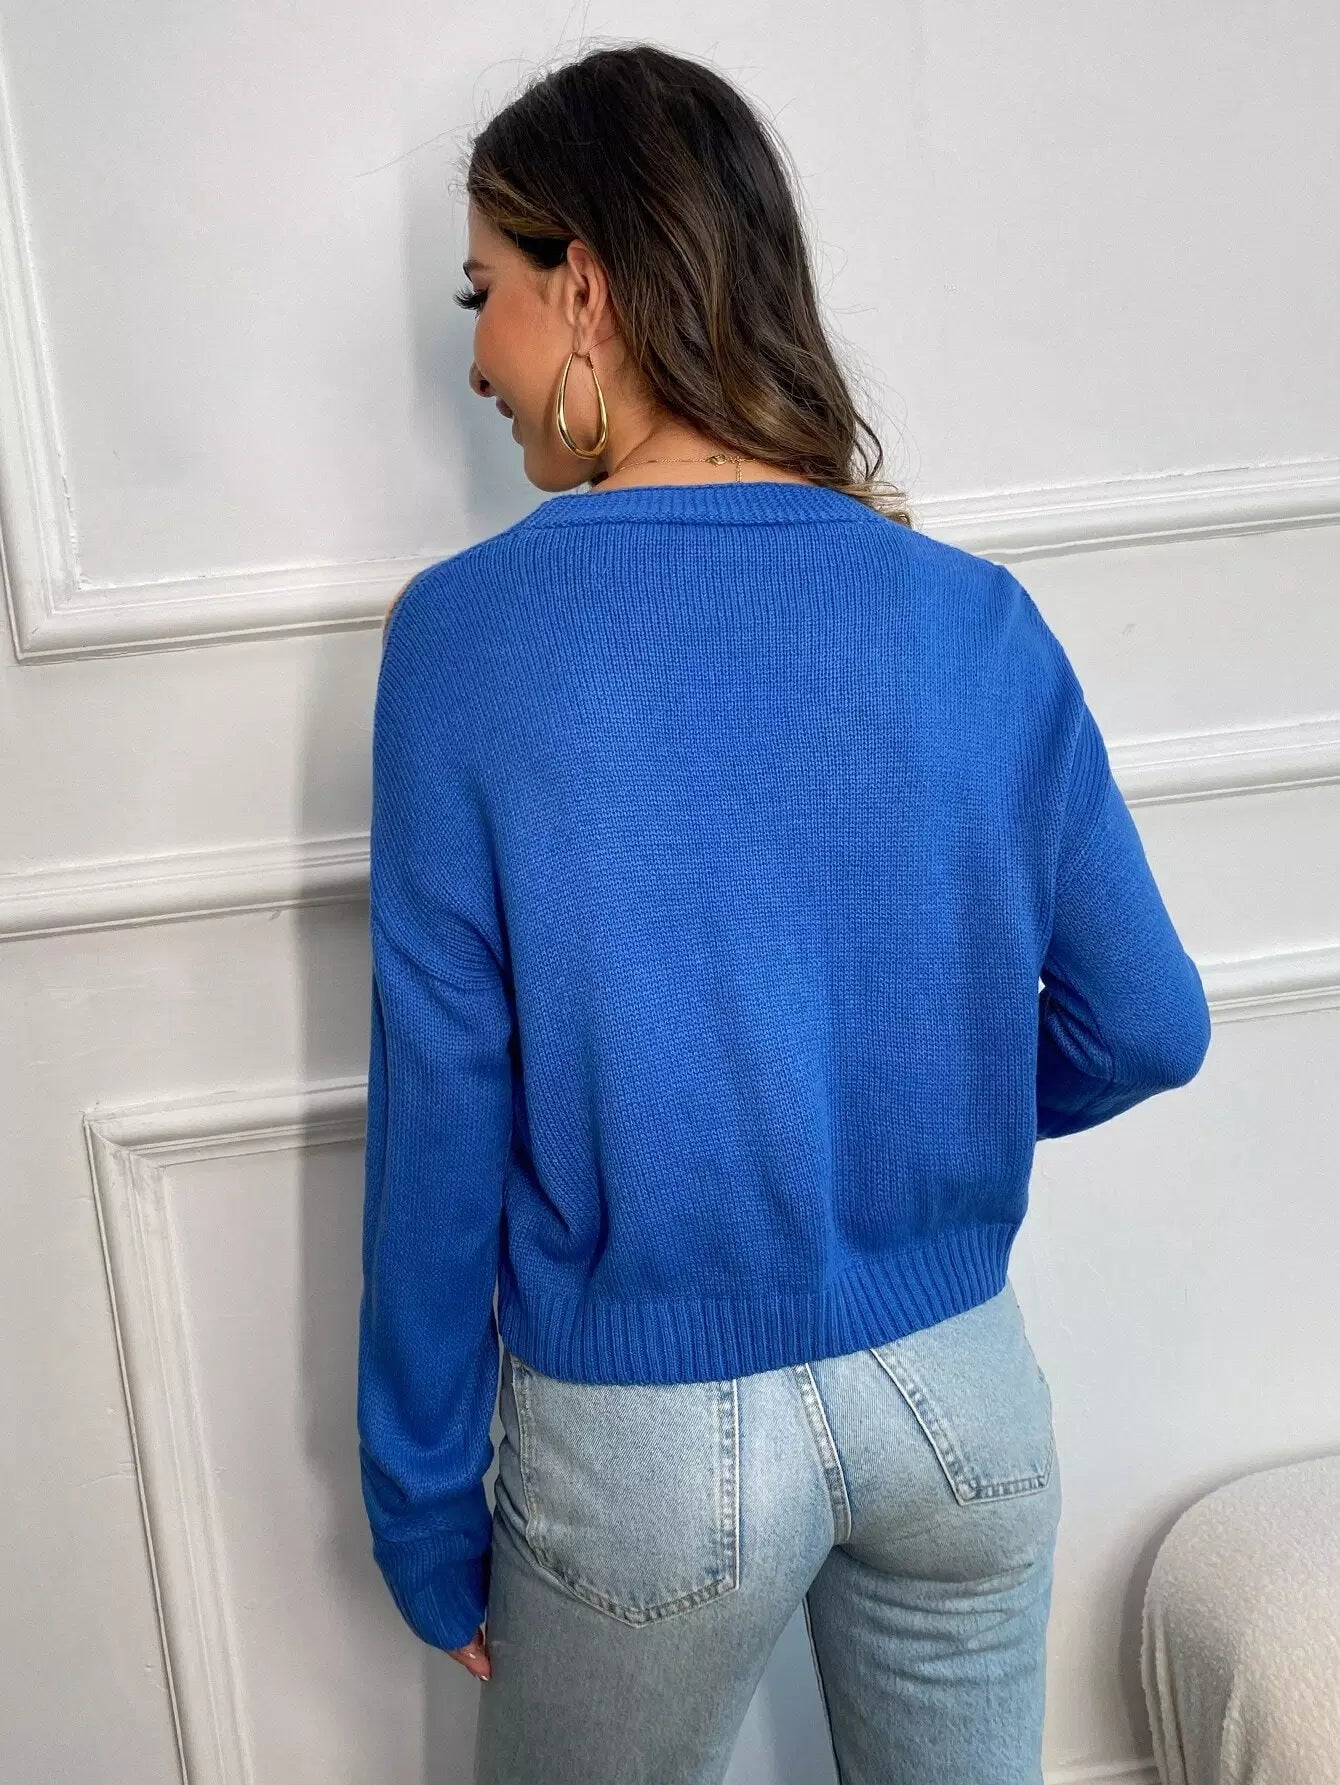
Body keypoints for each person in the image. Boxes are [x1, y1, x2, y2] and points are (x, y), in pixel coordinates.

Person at [357, 42, 1213, 1785]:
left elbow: (442, 1114)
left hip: (647, 1447)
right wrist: (933, 1114)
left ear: (586, 288)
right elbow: (1149, 1022)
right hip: (965, 1398)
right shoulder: (973, 619)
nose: (476, 354)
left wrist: (423, 1502)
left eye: (485, 291)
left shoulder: (466, 640)